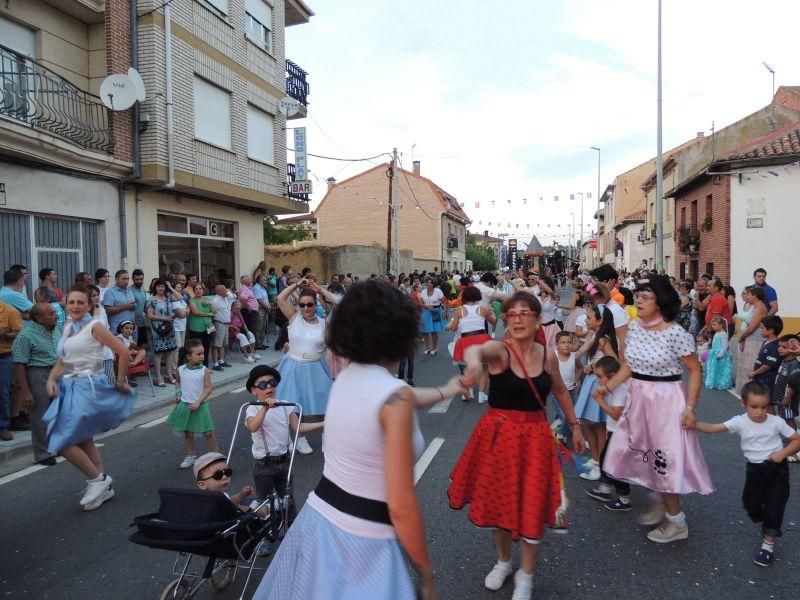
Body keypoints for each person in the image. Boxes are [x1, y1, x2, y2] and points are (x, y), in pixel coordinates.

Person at [253, 280, 459, 600]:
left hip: (318, 519)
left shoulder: (348, 377)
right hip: (365, 538)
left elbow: (399, 396)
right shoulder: (395, 398)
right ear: (400, 332)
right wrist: (427, 576)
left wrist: (448, 389)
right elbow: (402, 505)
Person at [449, 291, 585, 600]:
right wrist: (471, 366)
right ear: (506, 320)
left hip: (535, 439)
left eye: (526, 312)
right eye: (513, 313)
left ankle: (526, 574)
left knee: (533, 504)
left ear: (537, 319)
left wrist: (575, 426)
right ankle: (503, 562)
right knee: (499, 503)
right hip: (498, 438)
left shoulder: (548, 355)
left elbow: (561, 392)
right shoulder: (500, 351)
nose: (519, 317)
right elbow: (479, 352)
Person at [596, 274, 713, 543]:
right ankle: (660, 496)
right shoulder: (635, 327)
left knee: (664, 460)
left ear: (660, 302)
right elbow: (629, 365)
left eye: (645, 296)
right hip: (639, 398)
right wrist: (608, 386)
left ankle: (676, 522)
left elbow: (695, 371)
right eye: (637, 295)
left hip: (666, 399)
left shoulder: (676, 333)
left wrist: (691, 408)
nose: (638, 300)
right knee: (638, 454)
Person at [43, 284, 134, 510]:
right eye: (71, 302)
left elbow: (122, 351)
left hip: (88, 386)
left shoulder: (95, 326)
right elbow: (63, 360)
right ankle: (103, 487)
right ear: (66, 304)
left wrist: (121, 381)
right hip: (68, 387)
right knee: (84, 439)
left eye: (80, 302)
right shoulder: (67, 327)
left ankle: (98, 480)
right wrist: (51, 379)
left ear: (90, 305)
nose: (75, 306)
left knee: (62, 440)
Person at [694, 381, 800, 567]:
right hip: (755, 470)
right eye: (754, 407)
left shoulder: (776, 422)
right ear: (743, 404)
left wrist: (782, 454)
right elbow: (713, 429)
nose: (760, 412)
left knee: (775, 507)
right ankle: (764, 519)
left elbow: (796, 440)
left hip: (777, 470)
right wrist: (694, 424)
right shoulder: (740, 422)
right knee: (750, 504)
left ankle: (767, 546)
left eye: (764, 407)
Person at [244, 365, 324, 535]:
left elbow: (298, 427)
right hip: (264, 463)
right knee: (264, 502)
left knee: (287, 499)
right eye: (263, 385)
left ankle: (291, 532)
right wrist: (265, 407)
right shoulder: (253, 408)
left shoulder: (286, 405)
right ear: (254, 390)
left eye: (272, 383)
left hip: (285, 461)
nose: (269, 387)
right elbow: (252, 426)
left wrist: (324, 423)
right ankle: (262, 536)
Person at [274, 278, 333, 455]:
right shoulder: (294, 317)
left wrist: (321, 291)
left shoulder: (324, 324)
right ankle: (299, 437)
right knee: (295, 405)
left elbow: (339, 304)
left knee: (323, 405)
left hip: (316, 367)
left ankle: (327, 437)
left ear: (316, 305)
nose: (306, 308)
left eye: (310, 305)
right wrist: (297, 285)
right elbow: (280, 298)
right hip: (293, 367)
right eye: (302, 305)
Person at [573, 304, 619, 480]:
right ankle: (595, 459)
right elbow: (578, 353)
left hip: (598, 382)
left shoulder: (603, 340)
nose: (586, 319)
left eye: (589, 317)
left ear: (600, 321)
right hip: (591, 381)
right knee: (587, 423)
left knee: (599, 426)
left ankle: (600, 464)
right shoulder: (594, 336)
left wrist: (592, 366)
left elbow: (614, 361)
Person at [11, 303, 60, 462]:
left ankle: (57, 445)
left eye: (55, 312)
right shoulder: (26, 336)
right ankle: (42, 453)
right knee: (40, 414)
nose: (56, 315)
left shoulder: (56, 329)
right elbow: (19, 364)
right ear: (39, 318)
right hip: (38, 373)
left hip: (56, 372)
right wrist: (25, 391)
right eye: (51, 313)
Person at [585, 356, 632, 511]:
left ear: (612, 376)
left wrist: (599, 400)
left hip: (621, 434)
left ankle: (624, 499)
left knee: (614, 466)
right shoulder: (616, 389)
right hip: (615, 432)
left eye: (599, 376)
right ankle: (605, 490)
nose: (597, 380)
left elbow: (616, 414)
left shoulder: (619, 390)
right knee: (606, 461)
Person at [167, 339, 218, 470]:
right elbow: (177, 382)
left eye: (203, 353)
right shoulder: (181, 369)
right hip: (185, 406)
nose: (202, 356)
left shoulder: (204, 371)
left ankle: (217, 456)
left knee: (208, 432)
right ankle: (191, 455)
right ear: (189, 356)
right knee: (188, 432)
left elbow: (208, 388)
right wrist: (178, 393)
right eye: (198, 354)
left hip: (200, 406)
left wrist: (198, 402)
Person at [450, 285, 496, 403]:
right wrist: (492, 313)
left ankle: (469, 391)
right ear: (478, 296)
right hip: (482, 339)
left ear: (464, 297)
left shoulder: (459, 310)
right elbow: (493, 321)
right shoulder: (483, 309)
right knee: (485, 367)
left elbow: (454, 328)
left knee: (468, 367)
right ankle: (481, 395)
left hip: (466, 340)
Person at [193, 452, 258, 513]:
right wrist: (254, 512)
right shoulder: (210, 504)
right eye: (217, 475)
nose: (224, 477)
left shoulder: (217, 495)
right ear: (202, 485)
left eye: (227, 472)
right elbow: (232, 508)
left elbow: (229, 502)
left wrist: (242, 495)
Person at [735, 286, 769, 392]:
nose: (747, 296)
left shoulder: (760, 308)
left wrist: (741, 338)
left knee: (750, 366)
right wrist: (744, 339)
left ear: (755, 296)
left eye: (749, 294)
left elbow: (751, 328)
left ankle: (751, 391)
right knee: (745, 366)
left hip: (756, 341)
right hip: (749, 339)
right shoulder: (755, 307)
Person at [146, 279, 178, 386]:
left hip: (169, 328)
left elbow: (180, 297)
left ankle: (169, 375)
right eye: (159, 286)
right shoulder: (152, 300)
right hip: (158, 329)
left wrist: (170, 287)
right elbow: (150, 315)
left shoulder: (168, 297)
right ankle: (158, 377)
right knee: (158, 352)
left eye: (163, 286)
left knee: (170, 352)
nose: (161, 288)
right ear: (155, 287)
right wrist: (165, 318)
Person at [0, 299, 24, 441]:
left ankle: (3, 426)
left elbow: (19, 332)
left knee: (2, 392)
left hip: (3, 357)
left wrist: (4, 335)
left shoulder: (9, 311)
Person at [748, 315, 783, 399]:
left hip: (767, 380)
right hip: (759, 378)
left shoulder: (775, 346)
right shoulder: (765, 342)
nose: (760, 330)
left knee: (767, 403)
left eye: (762, 328)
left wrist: (754, 373)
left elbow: (767, 366)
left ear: (771, 330)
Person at [102, 270, 136, 336]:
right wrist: (125, 306)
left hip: (131, 330)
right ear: (116, 279)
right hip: (118, 330)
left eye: (127, 279)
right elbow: (108, 310)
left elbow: (132, 306)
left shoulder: (130, 292)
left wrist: (133, 306)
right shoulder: (110, 292)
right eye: (124, 279)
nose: (126, 281)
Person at [705, 316, 734, 390]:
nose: (713, 326)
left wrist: (721, 354)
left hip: (720, 354)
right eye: (712, 325)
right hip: (714, 353)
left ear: (721, 325)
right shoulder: (717, 333)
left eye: (714, 324)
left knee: (721, 369)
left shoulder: (723, 334)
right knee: (714, 368)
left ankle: (721, 383)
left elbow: (725, 345)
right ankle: (714, 382)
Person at [419, 276, 445, 355]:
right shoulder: (423, 292)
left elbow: (444, 301)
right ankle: (427, 348)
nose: (427, 283)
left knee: (434, 331)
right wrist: (426, 306)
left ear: (433, 284)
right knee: (425, 330)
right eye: (426, 282)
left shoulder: (438, 291)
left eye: (429, 282)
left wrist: (445, 311)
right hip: (426, 312)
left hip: (436, 311)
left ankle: (434, 348)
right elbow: (420, 303)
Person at [537, 275, 561, 348]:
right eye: (539, 284)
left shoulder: (551, 297)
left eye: (542, 284)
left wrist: (541, 282)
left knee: (552, 350)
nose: (540, 286)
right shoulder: (536, 296)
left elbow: (551, 292)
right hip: (539, 327)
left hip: (551, 327)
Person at [130, 269, 148, 349]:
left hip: (143, 323)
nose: (140, 281)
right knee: (135, 346)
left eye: (141, 279)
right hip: (133, 324)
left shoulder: (143, 290)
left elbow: (144, 306)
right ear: (132, 279)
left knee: (143, 346)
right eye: (137, 279)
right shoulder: (129, 291)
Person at [253, 274, 271, 349]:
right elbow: (259, 299)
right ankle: (257, 344)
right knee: (259, 326)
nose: (266, 281)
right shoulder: (256, 287)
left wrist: (268, 305)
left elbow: (266, 298)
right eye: (264, 280)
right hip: (260, 308)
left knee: (263, 326)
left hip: (265, 308)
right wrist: (267, 306)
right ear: (259, 280)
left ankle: (261, 343)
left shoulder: (263, 287)